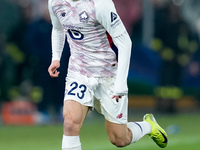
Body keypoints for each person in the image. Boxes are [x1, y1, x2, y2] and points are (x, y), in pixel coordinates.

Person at [47, 0, 168, 149]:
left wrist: (121, 83)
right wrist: (56, 58)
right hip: (79, 72)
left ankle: (149, 126)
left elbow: (125, 43)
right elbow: (58, 28)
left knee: (119, 139)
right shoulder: (55, 2)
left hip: (107, 75)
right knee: (70, 123)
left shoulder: (100, 4)